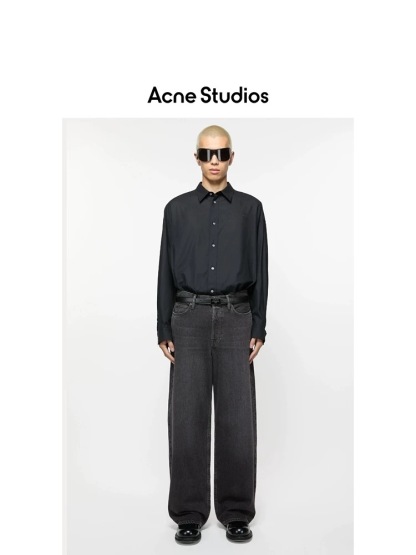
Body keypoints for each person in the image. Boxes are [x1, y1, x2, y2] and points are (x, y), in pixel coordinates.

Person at [157, 125, 268, 544]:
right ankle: (189, 513)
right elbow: (165, 269)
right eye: (207, 154)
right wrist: (163, 325)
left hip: (237, 316)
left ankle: (236, 511)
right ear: (197, 158)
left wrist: (258, 323)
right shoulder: (176, 210)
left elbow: (261, 268)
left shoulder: (251, 209)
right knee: (187, 417)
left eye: (221, 153)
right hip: (187, 317)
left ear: (232, 157)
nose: (215, 161)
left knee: (237, 418)